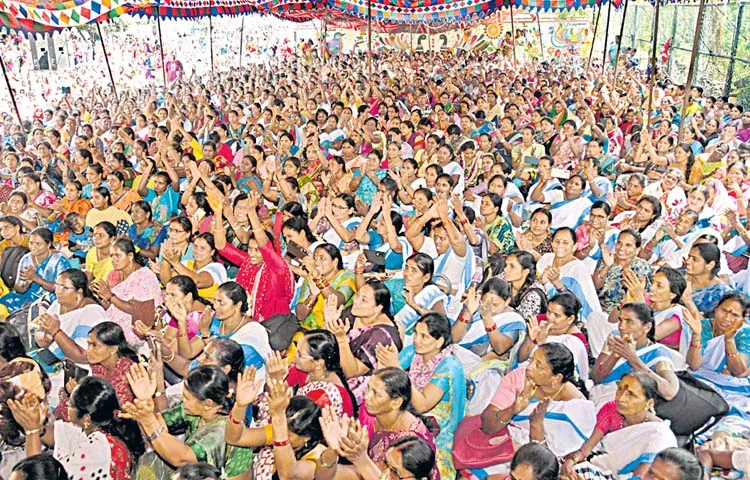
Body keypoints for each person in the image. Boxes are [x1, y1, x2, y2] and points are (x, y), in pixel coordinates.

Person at [473, 343, 595, 477]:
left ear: (557, 378)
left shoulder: (576, 409)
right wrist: (512, 410)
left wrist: (536, 426)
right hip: (501, 444)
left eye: (538, 365)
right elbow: (487, 426)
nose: (529, 367)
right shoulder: (518, 379)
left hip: (536, 467)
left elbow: (551, 463)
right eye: (531, 360)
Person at [122, 365, 253, 478]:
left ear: (207, 403)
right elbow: (159, 423)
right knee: (149, 461)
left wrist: (149, 421)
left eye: (187, 398)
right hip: (196, 472)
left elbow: (182, 458)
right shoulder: (195, 409)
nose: (182, 400)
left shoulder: (222, 430)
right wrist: (145, 400)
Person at [377, 312, 465, 479]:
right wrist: (384, 365)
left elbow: (423, 405)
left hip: (436, 425)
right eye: (416, 333)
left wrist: (397, 368)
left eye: (424, 336)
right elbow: (387, 374)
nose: (417, 339)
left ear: (439, 341)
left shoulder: (449, 366)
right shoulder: (415, 352)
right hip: (408, 410)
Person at [9, 376, 145, 480]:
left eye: (71, 405)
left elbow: (40, 473)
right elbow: (56, 435)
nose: (67, 405)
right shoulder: (96, 429)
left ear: (86, 418)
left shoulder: (98, 448)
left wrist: (31, 431)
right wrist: (37, 424)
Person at [560, 372, 678, 480]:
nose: (621, 398)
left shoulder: (658, 434)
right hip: (600, 465)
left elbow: (641, 476)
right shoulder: (611, 410)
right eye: (620, 389)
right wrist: (571, 461)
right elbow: (588, 447)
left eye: (631, 394)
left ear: (649, 403)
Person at [213, 193, 294, 321]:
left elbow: (264, 245)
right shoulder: (248, 262)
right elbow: (221, 247)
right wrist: (218, 214)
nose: (252, 253)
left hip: (274, 325)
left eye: (257, 250)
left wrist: (251, 213)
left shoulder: (277, 267)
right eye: (250, 249)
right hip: (249, 320)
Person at [323, 280, 402, 404]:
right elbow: (327, 342)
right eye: (358, 295)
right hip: (334, 367)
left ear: (378, 308)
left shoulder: (381, 335)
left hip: (360, 385)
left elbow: (351, 373)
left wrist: (341, 340)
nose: (356, 301)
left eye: (364, 299)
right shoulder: (355, 313)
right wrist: (328, 324)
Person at [590, 302, 680, 407]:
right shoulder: (615, 338)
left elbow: (669, 392)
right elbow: (596, 378)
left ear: (647, 327)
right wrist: (614, 356)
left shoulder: (657, 353)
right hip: (598, 396)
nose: (621, 327)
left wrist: (633, 359)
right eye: (620, 320)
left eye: (629, 322)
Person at [92, 238, 163, 346]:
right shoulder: (114, 274)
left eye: (118, 255)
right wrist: (102, 297)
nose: (113, 260)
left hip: (136, 331)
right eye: (111, 256)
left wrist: (110, 296)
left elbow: (140, 311)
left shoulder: (144, 276)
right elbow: (113, 304)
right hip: (114, 324)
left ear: (130, 256)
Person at [686, 292, 750, 411]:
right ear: (716, 310)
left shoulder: (745, 333)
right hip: (699, 378)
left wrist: (729, 339)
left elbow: (739, 371)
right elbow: (694, 365)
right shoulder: (704, 326)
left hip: (731, 387)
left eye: (734, 315)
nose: (726, 318)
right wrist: (696, 335)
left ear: (743, 320)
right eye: (724, 311)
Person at [32, 268, 106, 362]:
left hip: (81, 368)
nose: (57, 291)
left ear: (79, 291)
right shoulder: (57, 305)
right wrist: (47, 338)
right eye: (57, 286)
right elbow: (39, 337)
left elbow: (85, 357)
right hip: (55, 359)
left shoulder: (91, 313)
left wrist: (56, 332)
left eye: (64, 288)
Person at [0, 227, 70, 312]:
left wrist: (36, 278)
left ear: (48, 244)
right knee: (3, 303)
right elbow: (18, 289)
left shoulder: (59, 259)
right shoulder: (26, 258)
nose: (33, 247)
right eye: (31, 243)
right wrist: (26, 284)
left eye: (38, 244)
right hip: (28, 296)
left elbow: (63, 289)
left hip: (51, 298)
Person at [296, 244, 356, 330]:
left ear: (334, 262)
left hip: (335, 329)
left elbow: (337, 301)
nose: (316, 262)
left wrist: (318, 277)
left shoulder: (346, 275)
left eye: (322, 258)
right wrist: (312, 297)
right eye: (315, 258)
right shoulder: (310, 277)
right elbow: (300, 316)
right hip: (309, 328)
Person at [394, 253, 447, 344]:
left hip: (423, 341)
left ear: (426, 277)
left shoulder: (431, 293)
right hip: (399, 336)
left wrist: (414, 305)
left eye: (414, 271)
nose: (407, 274)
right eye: (406, 268)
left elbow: (442, 322)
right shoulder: (396, 286)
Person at [160, 232, 227, 299]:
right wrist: (166, 258)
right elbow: (167, 281)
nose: (197, 250)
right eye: (195, 246)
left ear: (212, 252)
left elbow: (197, 282)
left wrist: (175, 263)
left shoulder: (217, 268)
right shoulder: (187, 264)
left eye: (202, 248)